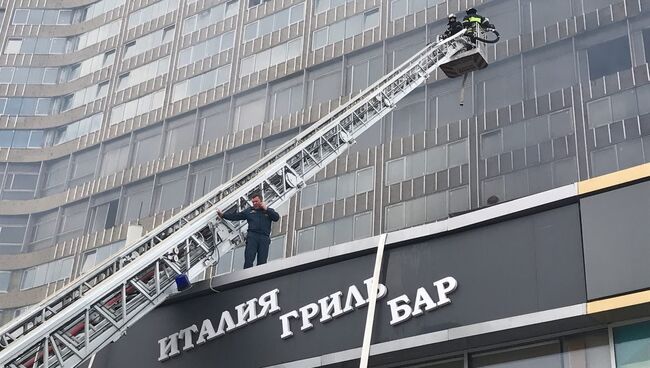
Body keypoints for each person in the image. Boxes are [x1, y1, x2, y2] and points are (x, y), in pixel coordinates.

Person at [217, 194, 280, 269]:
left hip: (264, 237)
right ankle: (247, 276)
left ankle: (260, 278)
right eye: (253, 202)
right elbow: (236, 216)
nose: (254, 203)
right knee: (249, 259)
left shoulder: (268, 211)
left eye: (256, 201)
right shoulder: (249, 211)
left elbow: (276, 218)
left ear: (261, 201)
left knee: (262, 261)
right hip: (252, 236)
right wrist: (223, 215)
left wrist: (266, 209)